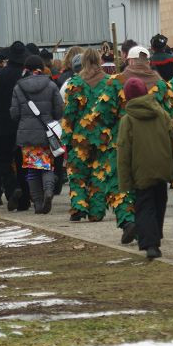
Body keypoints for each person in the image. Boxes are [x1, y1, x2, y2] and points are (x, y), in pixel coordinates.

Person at [116, 77, 173, 259]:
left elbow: (123, 153)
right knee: (160, 202)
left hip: (140, 171)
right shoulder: (161, 113)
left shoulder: (127, 121)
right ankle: (156, 235)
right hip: (163, 166)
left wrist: (125, 181)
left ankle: (150, 244)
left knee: (145, 206)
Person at [61, 48, 113, 222]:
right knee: (99, 172)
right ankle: (96, 211)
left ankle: (78, 206)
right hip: (102, 136)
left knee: (77, 172)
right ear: (99, 61)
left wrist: (66, 137)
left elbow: (69, 112)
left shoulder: (75, 82)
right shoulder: (109, 82)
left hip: (79, 135)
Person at [10, 54, 64, 214]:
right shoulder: (51, 84)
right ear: (41, 68)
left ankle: (39, 204)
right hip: (46, 133)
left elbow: (14, 113)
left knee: (32, 169)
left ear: (26, 68)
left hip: (26, 134)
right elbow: (60, 109)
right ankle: (48, 191)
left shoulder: (18, 87)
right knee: (47, 165)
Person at [0, 41, 29, 210]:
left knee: (2, 160)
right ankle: (23, 200)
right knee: (22, 161)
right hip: (23, 123)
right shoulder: (26, 77)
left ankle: (12, 187)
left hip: (3, 123)